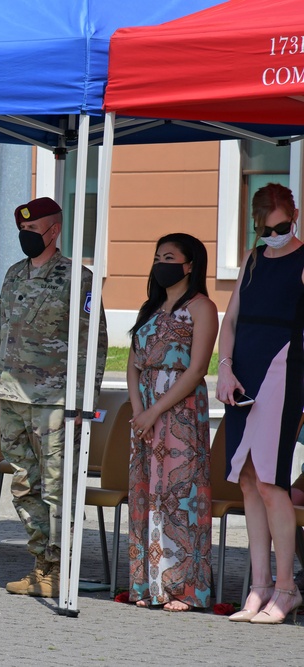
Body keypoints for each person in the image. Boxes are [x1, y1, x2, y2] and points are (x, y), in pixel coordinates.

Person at [0, 196, 107, 598]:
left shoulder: (79, 279)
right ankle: (41, 564)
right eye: (21, 230)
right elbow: (0, 336)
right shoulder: (14, 274)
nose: (25, 236)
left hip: (56, 400)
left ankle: (62, 567)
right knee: (24, 484)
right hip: (14, 396)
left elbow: (94, 344)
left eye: (33, 230)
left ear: (54, 232)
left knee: (56, 486)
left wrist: (83, 402)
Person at [218, 182, 304, 624]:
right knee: (248, 480)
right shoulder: (252, 261)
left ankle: (287, 588)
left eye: (283, 226)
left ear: (295, 214)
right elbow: (230, 320)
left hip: (284, 372)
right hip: (242, 373)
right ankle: (259, 586)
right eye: (268, 229)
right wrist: (225, 368)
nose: (277, 234)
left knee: (271, 482)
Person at [126, 233, 217, 612]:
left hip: (180, 413)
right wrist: (138, 411)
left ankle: (184, 589)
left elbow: (197, 369)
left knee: (180, 499)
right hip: (144, 416)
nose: (160, 262)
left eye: (169, 256)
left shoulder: (201, 307)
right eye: (157, 256)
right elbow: (132, 364)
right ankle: (148, 585)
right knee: (147, 497)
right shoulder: (150, 308)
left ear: (190, 263)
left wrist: (155, 410)